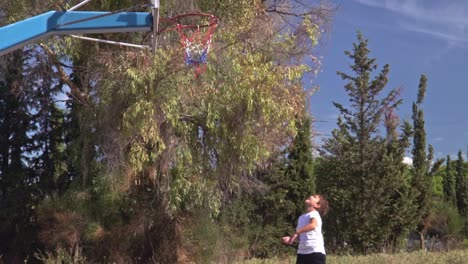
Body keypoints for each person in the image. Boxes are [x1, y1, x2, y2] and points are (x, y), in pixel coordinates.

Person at [282, 194, 329, 264]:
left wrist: (297, 232)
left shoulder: (314, 214)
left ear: (317, 205)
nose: (311, 196)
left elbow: (313, 225)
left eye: (314, 197)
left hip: (315, 252)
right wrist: (291, 238)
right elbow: (300, 237)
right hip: (302, 253)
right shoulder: (301, 217)